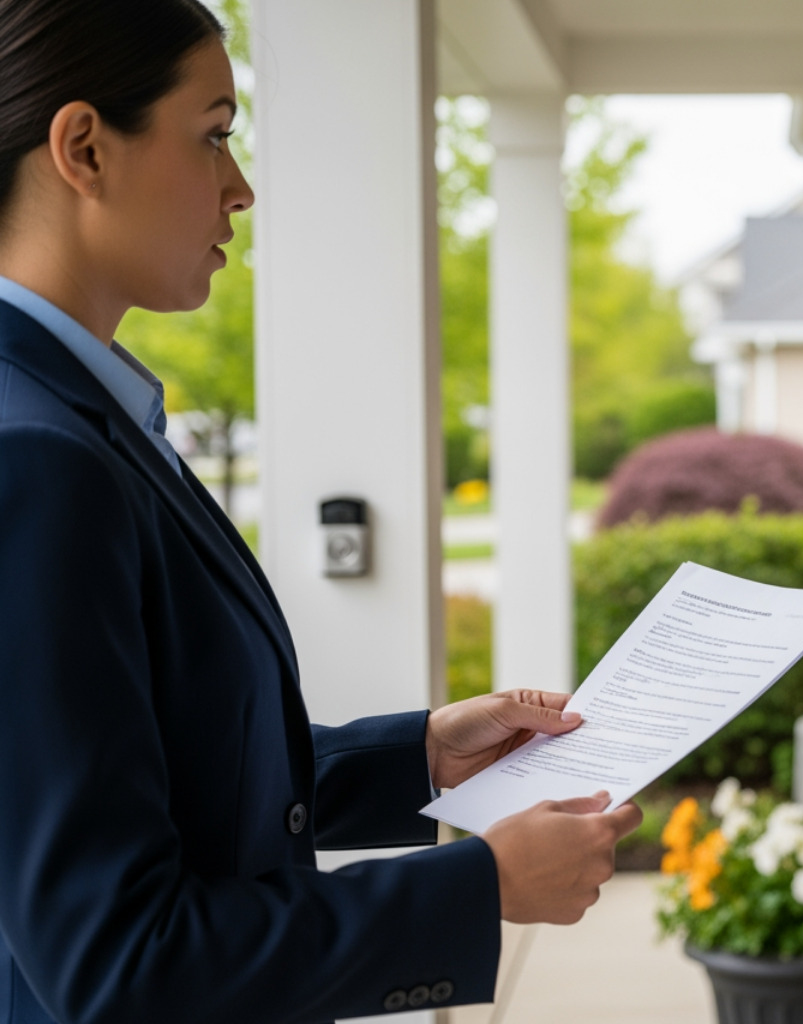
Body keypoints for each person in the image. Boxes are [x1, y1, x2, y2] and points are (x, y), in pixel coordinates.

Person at [0, 2, 641, 1021]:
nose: (240, 186)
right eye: (213, 134)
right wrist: (479, 886)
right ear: (84, 147)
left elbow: (153, 766)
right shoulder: (34, 455)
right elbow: (118, 962)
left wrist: (418, 755)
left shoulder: (80, 417)